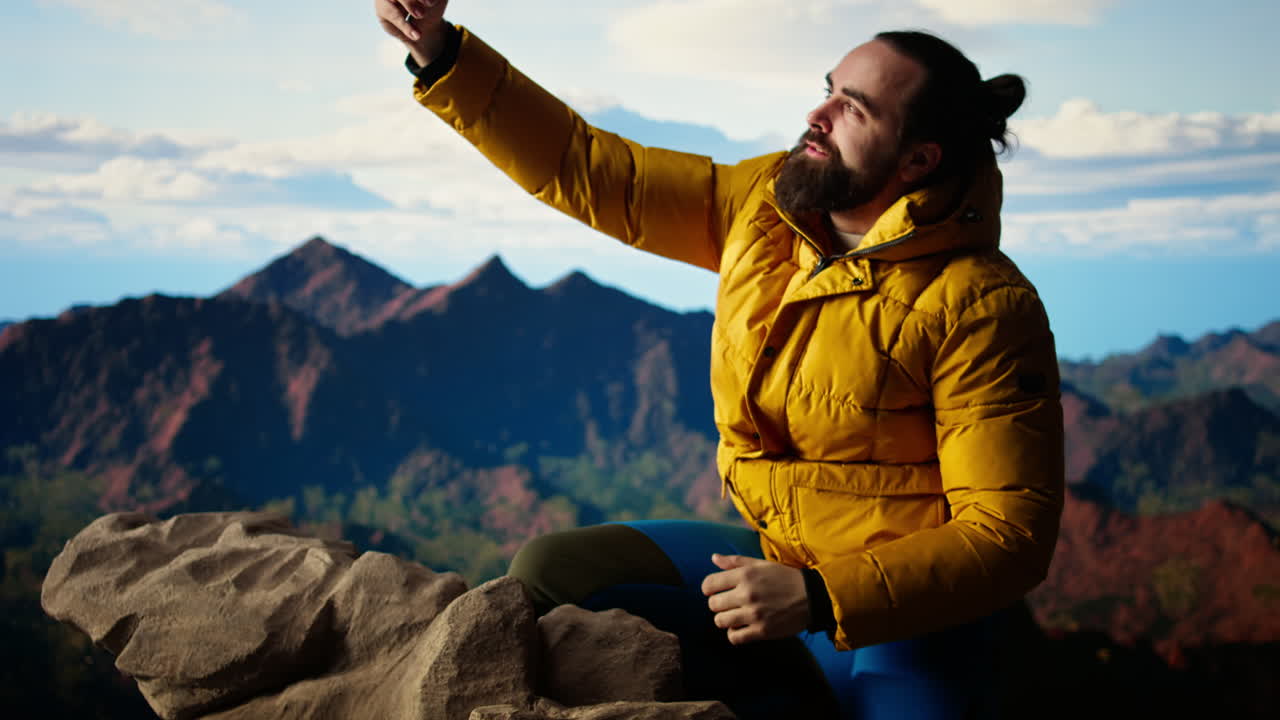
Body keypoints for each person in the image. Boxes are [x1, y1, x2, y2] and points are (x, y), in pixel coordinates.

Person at [374, 1, 1065, 718]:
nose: (817, 115)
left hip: (913, 625)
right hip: (778, 560)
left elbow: (1007, 536)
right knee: (554, 571)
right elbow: (593, 169)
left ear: (919, 159)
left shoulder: (981, 306)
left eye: (853, 109)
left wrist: (820, 595)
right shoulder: (767, 207)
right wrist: (440, 53)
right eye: (828, 89)